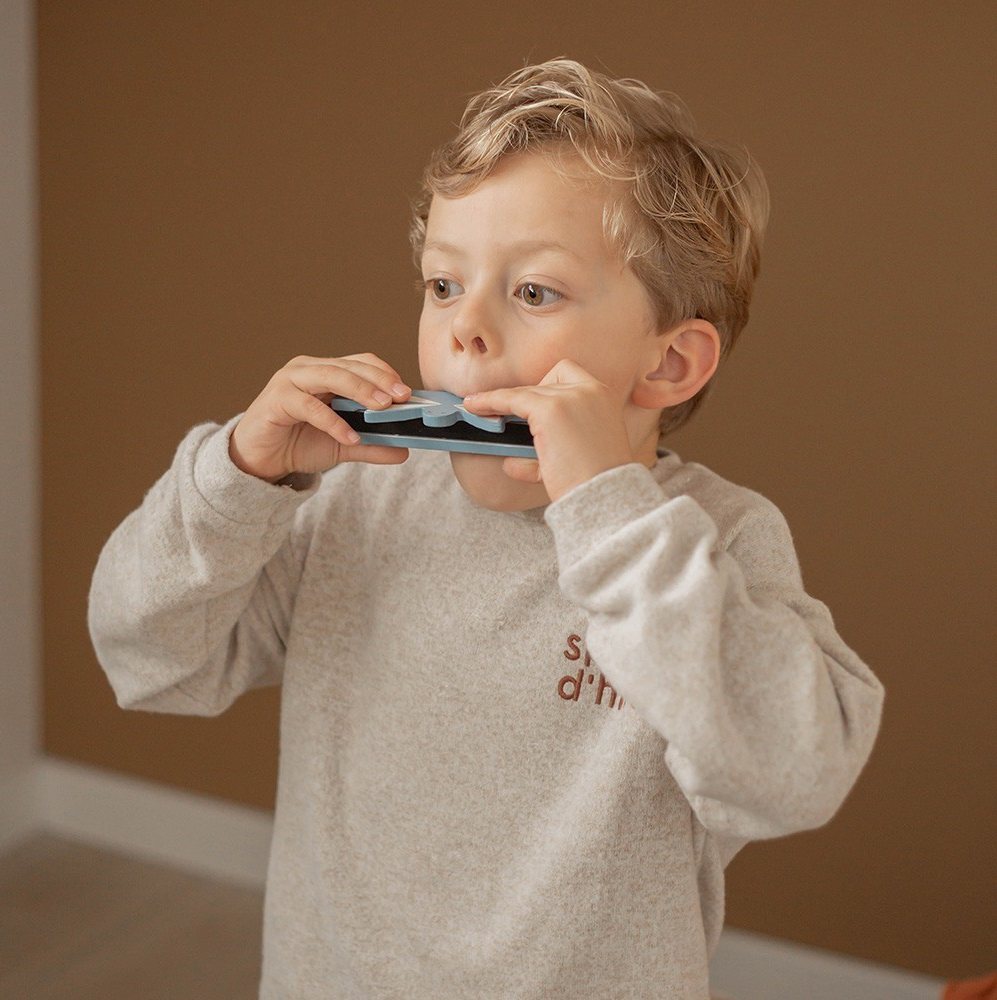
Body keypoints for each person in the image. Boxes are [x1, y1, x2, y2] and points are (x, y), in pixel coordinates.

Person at [89, 59, 884, 999]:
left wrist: (608, 514)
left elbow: (791, 774)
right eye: (441, 285)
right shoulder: (358, 502)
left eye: (534, 292)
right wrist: (236, 482)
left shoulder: (706, 543)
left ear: (668, 364)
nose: (464, 328)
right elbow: (146, 656)